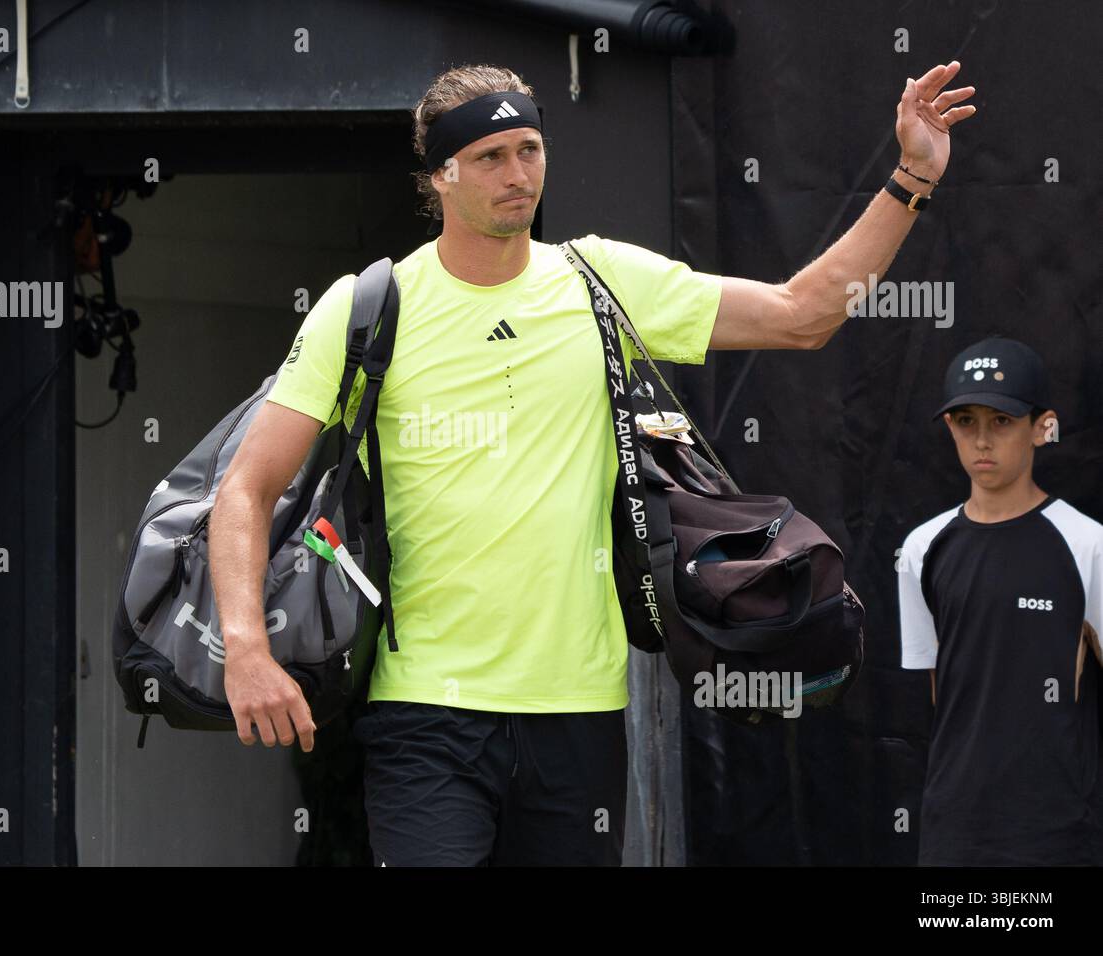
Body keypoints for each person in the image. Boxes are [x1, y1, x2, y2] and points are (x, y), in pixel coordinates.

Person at [210, 60, 976, 866]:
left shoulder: (599, 279)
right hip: (423, 713)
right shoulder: (370, 306)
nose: (519, 175)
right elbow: (246, 489)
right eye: (491, 157)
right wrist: (247, 649)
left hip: (578, 713)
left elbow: (803, 315)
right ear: (439, 175)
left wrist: (912, 176)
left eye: (530, 149)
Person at [898, 336, 1103, 865]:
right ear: (949, 427)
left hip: (1056, 830)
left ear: (1042, 426)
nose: (982, 440)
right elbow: (941, 689)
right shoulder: (922, 548)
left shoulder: (1087, 544)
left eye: (1002, 421)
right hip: (955, 831)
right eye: (966, 421)